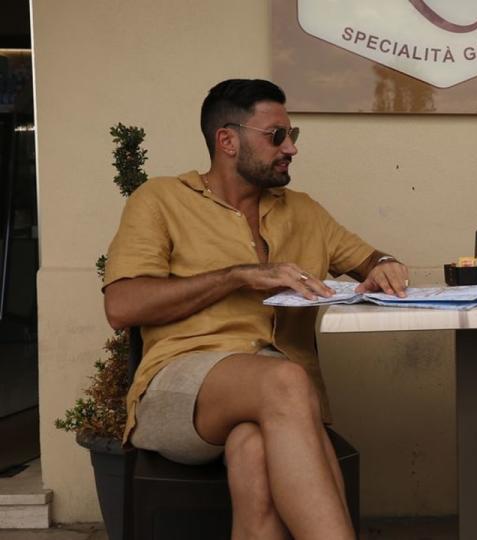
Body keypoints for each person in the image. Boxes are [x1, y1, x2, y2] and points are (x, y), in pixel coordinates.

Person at [103, 79, 409, 540]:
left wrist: (385, 266)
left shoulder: (303, 211)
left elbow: (368, 259)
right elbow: (121, 306)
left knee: (254, 449)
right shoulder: (161, 199)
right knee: (285, 380)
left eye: (293, 136)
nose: (291, 149)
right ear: (227, 140)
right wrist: (238, 276)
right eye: (276, 136)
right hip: (180, 388)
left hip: (276, 405)